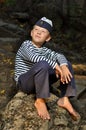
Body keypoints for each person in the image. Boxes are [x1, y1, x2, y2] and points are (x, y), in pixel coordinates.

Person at [14, 17, 80, 120]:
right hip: (25, 83)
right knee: (43, 64)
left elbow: (59, 56)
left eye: (43, 31)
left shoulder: (45, 50)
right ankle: (40, 100)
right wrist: (56, 66)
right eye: (36, 29)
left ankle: (64, 98)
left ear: (48, 38)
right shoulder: (26, 45)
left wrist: (63, 66)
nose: (38, 33)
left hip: (40, 81)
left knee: (67, 64)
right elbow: (34, 57)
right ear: (31, 32)